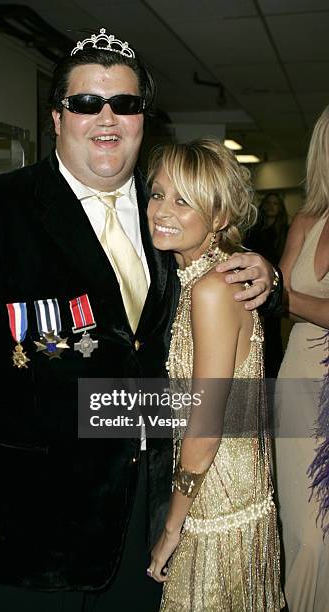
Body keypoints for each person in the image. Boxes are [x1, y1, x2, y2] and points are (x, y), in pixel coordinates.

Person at [0, 29, 279, 612]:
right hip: (32, 516)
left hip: (143, 506)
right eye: (86, 103)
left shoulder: (165, 209)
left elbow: (213, 282)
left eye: (125, 104)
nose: (106, 117)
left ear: (143, 119)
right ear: (57, 117)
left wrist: (266, 273)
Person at [146, 141, 284, 611]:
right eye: (157, 193)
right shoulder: (200, 276)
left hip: (215, 497)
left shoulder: (211, 289)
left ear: (219, 216)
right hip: (228, 487)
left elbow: (203, 432)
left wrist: (171, 527)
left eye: (183, 200)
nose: (161, 210)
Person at [274, 105, 329, 612]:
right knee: (308, 534)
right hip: (303, 384)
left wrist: (283, 297)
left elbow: (281, 295)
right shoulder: (307, 219)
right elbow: (276, 295)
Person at [246, 192, 289, 376]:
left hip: (276, 283)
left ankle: (273, 370)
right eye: (269, 203)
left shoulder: (285, 231)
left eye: (276, 203)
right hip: (253, 281)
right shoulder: (255, 229)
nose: (271, 206)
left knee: (273, 331)